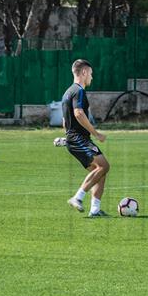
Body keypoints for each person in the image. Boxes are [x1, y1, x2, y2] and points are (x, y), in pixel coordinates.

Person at [61, 59, 110, 217]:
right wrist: (96, 134)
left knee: (100, 171)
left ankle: (95, 210)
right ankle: (77, 197)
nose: (91, 77)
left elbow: (64, 121)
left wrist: (67, 137)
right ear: (83, 72)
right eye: (90, 73)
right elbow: (78, 113)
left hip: (75, 139)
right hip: (79, 139)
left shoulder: (67, 92)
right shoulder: (79, 91)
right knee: (104, 167)